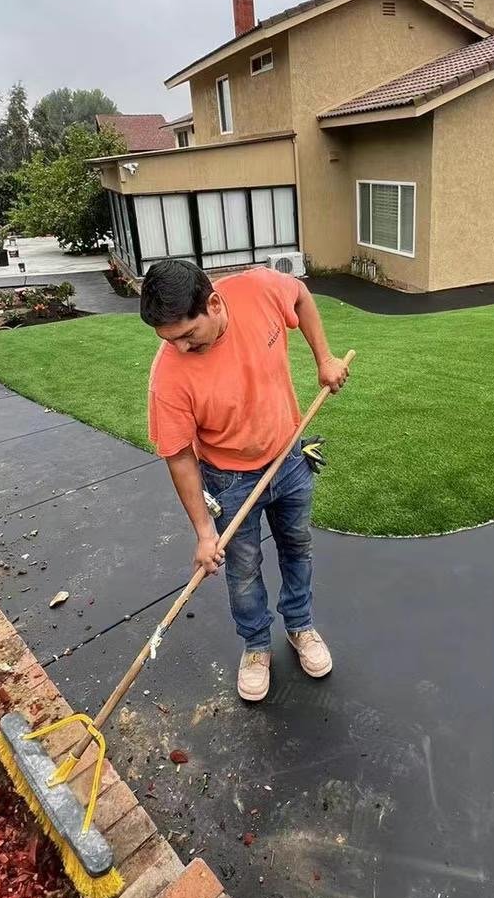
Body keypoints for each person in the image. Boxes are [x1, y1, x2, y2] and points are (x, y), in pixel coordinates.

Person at [141, 259, 349, 702]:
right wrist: (204, 533)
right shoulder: (169, 376)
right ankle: (256, 646)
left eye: (187, 335)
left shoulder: (259, 289)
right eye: (168, 340)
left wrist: (325, 359)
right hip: (229, 480)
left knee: (297, 546)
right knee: (243, 567)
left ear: (214, 304)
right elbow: (179, 457)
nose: (179, 348)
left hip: (289, 457)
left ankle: (300, 626)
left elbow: (300, 296)